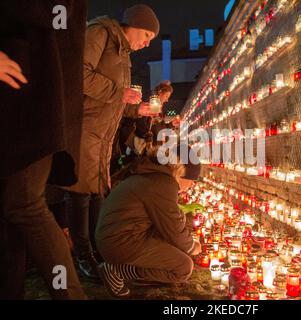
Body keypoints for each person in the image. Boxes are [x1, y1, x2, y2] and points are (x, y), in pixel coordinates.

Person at [63, 4, 161, 280]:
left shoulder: (123, 52)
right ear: (132, 25)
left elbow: (118, 98)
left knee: (97, 195)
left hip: (102, 135)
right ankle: (82, 256)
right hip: (84, 128)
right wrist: (119, 92)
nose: (146, 43)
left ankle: (99, 252)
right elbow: (77, 74)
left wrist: (135, 109)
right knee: (80, 194)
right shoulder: (100, 34)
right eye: (145, 35)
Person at [0, 1, 87, 299]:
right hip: (30, 103)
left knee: (22, 203)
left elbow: (55, 14)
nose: (147, 43)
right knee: (16, 209)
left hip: (31, 106)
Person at [96, 145, 202, 298]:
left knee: (178, 238)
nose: (193, 185)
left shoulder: (155, 175)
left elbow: (172, 217)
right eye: (192, 180)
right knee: (183, 267)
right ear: (182, 172)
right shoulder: (163, 183)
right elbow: (173, 228)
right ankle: (115, 271)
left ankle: (121, 267)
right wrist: (193, 247)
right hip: (120, 242)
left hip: (118, 235)